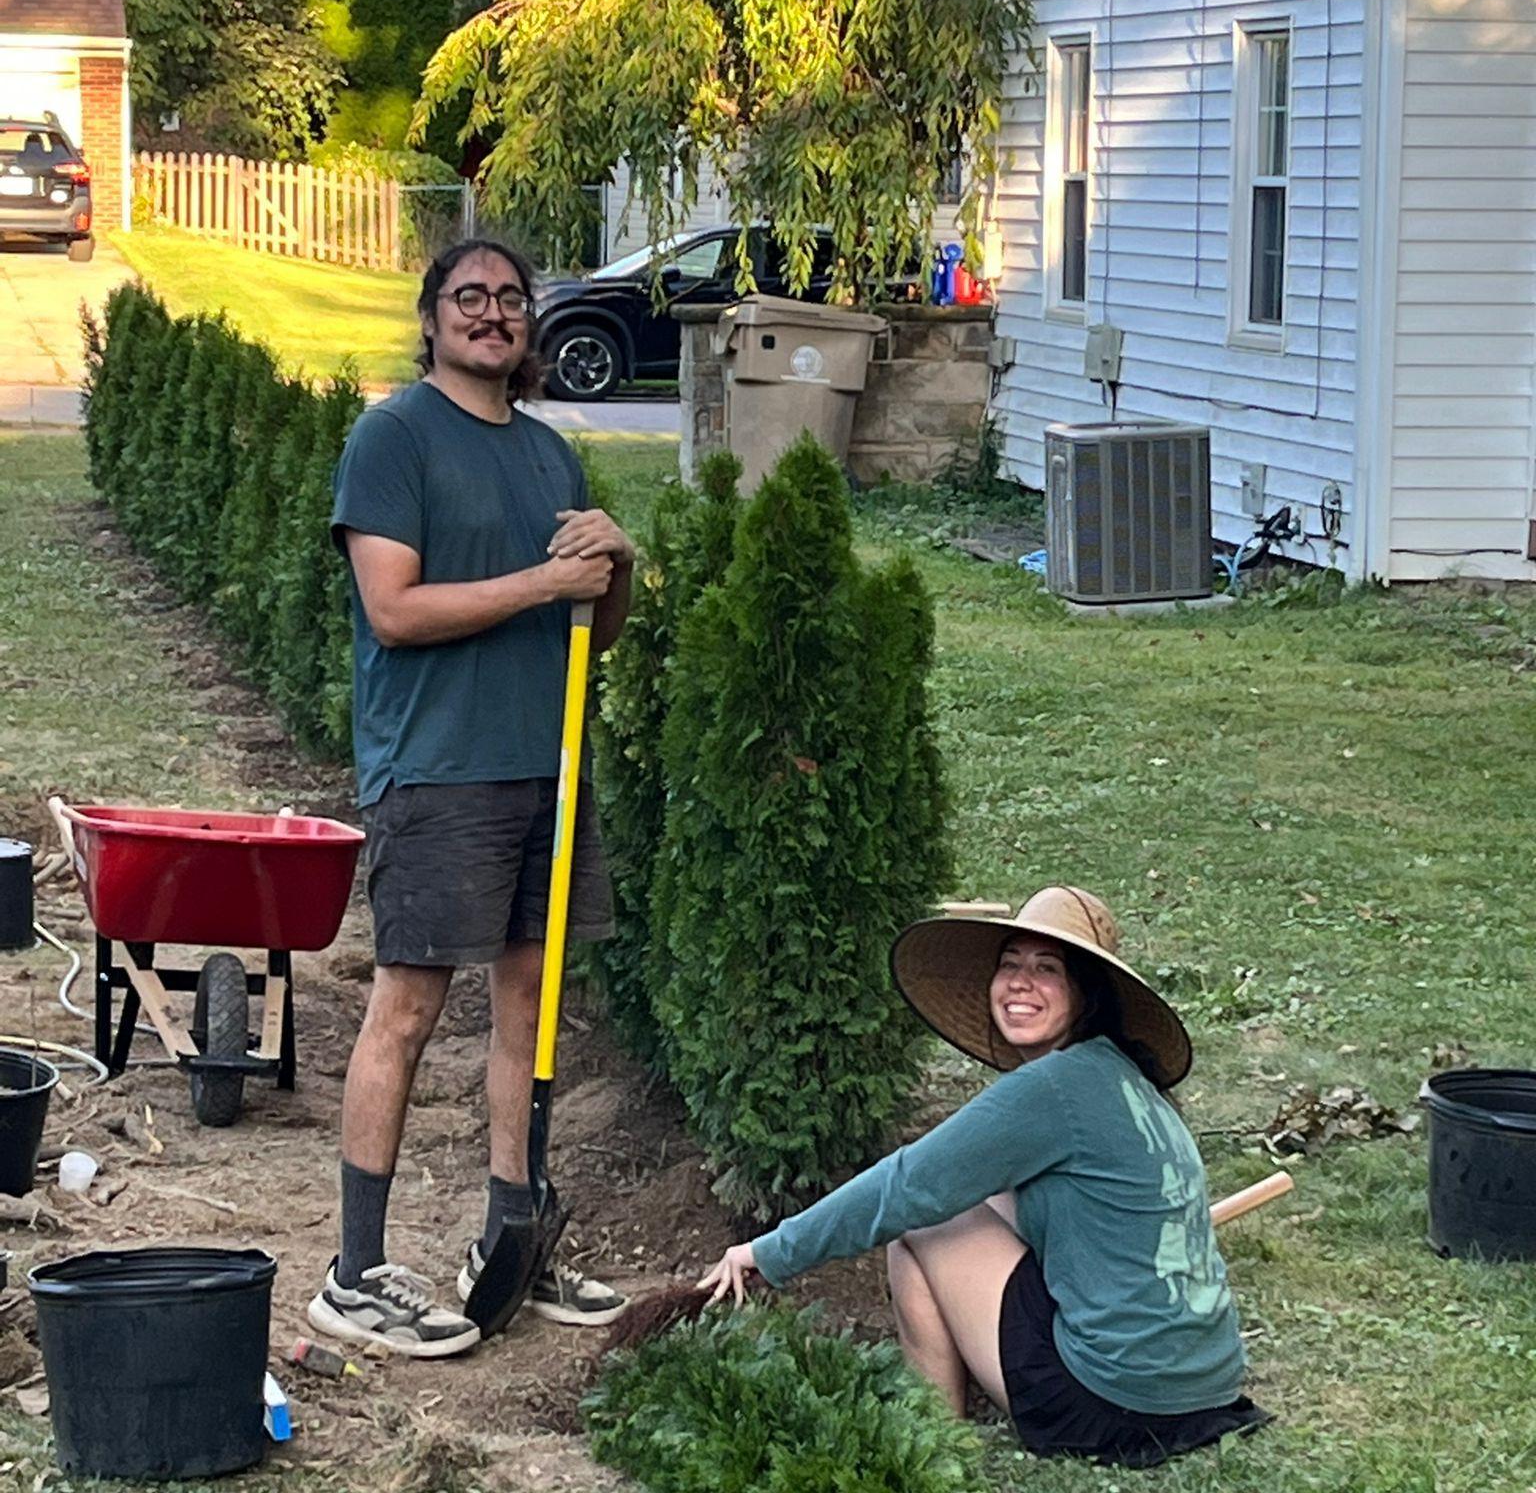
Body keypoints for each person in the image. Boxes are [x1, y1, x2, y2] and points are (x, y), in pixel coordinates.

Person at [310, 239, 635, 1357]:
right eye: (470, 298)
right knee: (406, 1008)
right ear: (432, 315)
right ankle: (354, 1271)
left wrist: (612, 564)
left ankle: (514, 1237)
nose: (493, 315)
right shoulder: (393, 437)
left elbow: (589, 623)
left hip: (546, 769)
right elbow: (393, 610)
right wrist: (548, 578)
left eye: (510, 300)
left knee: (529, 1012)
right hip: (438, 769)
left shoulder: (549, 456)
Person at [700, 886, 1270, 1467]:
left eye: (1047, 968)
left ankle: (938, 1433)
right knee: (979, 1198)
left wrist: (768, 1252)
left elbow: (906, 1185)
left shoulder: (1054, 1087)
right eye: (1010, 965)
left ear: (1086, 993)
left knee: (916, 1227)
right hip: (1203, 1389)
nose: (1020, 982)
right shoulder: (1122, 1079)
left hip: (1113, 1406)